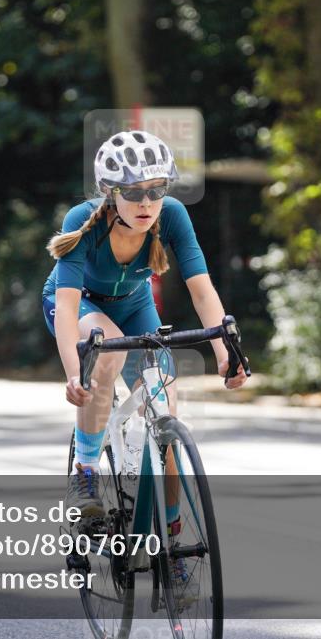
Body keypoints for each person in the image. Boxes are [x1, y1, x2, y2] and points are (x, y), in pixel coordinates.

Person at [41, 130, 248, 604]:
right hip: (80, 305)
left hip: (135, 306)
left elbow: (201, 289)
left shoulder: (172, 215)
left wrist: (224, 352)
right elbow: (68, 308)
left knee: (165, 415)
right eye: (133, 192)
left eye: (157, 190)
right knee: (108, 352)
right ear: (109, 192)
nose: (146, 202)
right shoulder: (82, 221)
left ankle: (170, 546)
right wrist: (74, 371)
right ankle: (86, 473)